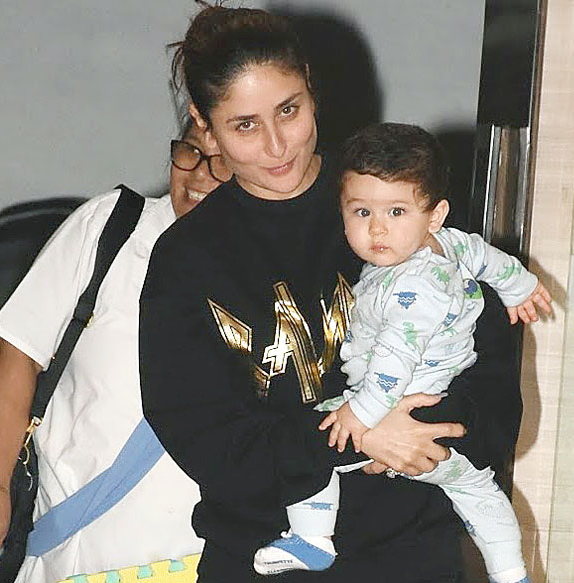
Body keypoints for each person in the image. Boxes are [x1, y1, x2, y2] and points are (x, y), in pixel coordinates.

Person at [139, 6, 527, 582]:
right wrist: (359, 438)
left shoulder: (394, 198)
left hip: (412, 557)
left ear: (310, 87)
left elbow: (492, 385)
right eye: (244, 125)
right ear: (204, 122)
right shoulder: (185, 259)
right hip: (259, 560)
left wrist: (427, 431)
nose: (276, 146)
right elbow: (206, 439)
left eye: (288, 110)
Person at [0, 120, 227, 583]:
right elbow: (18, 352)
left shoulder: (279, 267)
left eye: (222, 161)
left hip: (213, 561)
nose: (200, 174)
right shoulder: (111, 228)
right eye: (189, 151)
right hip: (77, 560)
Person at [253, 123, 551, 583]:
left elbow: (394, 362)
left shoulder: (411, 288)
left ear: (434, 214)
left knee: (311, 444)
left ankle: (312, 536)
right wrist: (521, 288)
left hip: (402, 404)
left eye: (396, 211)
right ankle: (511, 573)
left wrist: (361, 417)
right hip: (440, 415)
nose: (377, 228)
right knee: (479, 491)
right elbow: (488, 258)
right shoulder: (450, 244)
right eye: (361, 212)